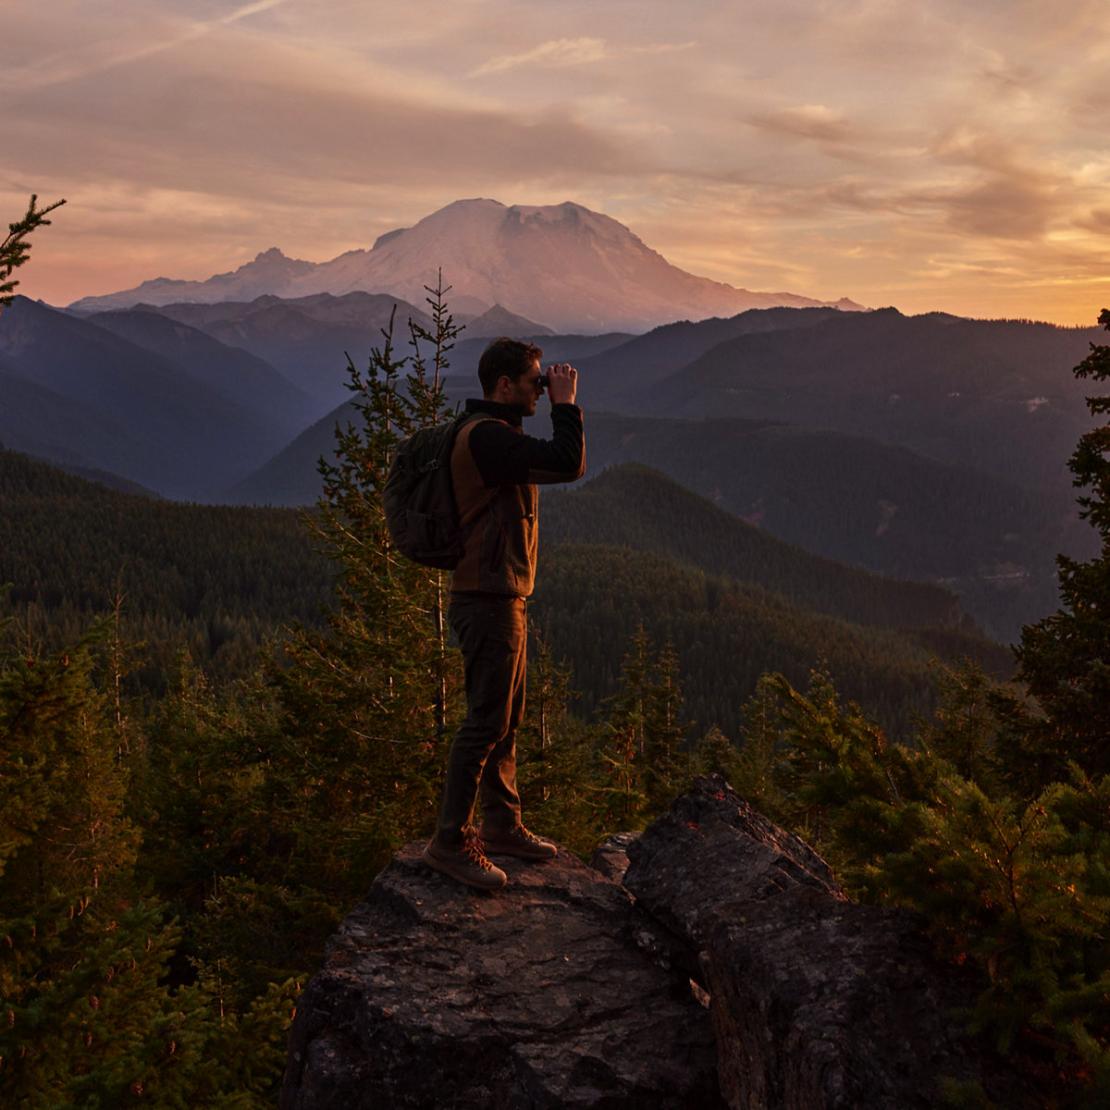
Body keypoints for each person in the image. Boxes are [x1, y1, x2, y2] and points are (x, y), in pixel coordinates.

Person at [422, 337, 585, 890]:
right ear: (504, 385)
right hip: (486, 598)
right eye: (535, 380)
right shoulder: (487, 439)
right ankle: (449, 842)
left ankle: (501, 826)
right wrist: (566, 404)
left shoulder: (495, 435)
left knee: (506, 720)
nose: (540, 388)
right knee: (485, 723)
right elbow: (568, 463)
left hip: (500, 596)